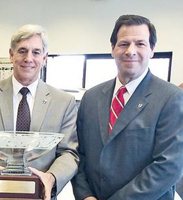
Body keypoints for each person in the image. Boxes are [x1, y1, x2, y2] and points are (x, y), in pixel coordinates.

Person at [0, 24, 79, 200]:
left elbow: (69, 153)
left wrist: (51, 178)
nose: (28, 58)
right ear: (11, 55)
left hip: (40, 196)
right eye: (22, 51)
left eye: (36, 52)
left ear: (45, 57)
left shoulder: (63, 101)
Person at [72, 14, 183, 200]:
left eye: (140, 44)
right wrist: (85, 195)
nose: (130, 51)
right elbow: (79, 153)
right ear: (113, 49)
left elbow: (169, 165)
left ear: (152, 50)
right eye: (124, 44)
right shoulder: (90, 98)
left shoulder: (171, 98)